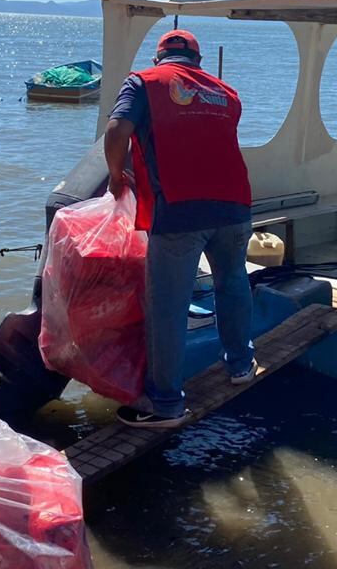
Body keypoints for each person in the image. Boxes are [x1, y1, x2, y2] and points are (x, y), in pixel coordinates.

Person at [103, 29, 255, 428]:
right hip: (236, 205)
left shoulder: (143, 82)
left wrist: (116, 176)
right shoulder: (227, 92)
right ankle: (241, 364)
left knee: (167, 305)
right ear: (198, 62)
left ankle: (165, 403)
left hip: (180, 210)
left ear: (158, 59)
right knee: (232, 283)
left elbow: (117, 130)